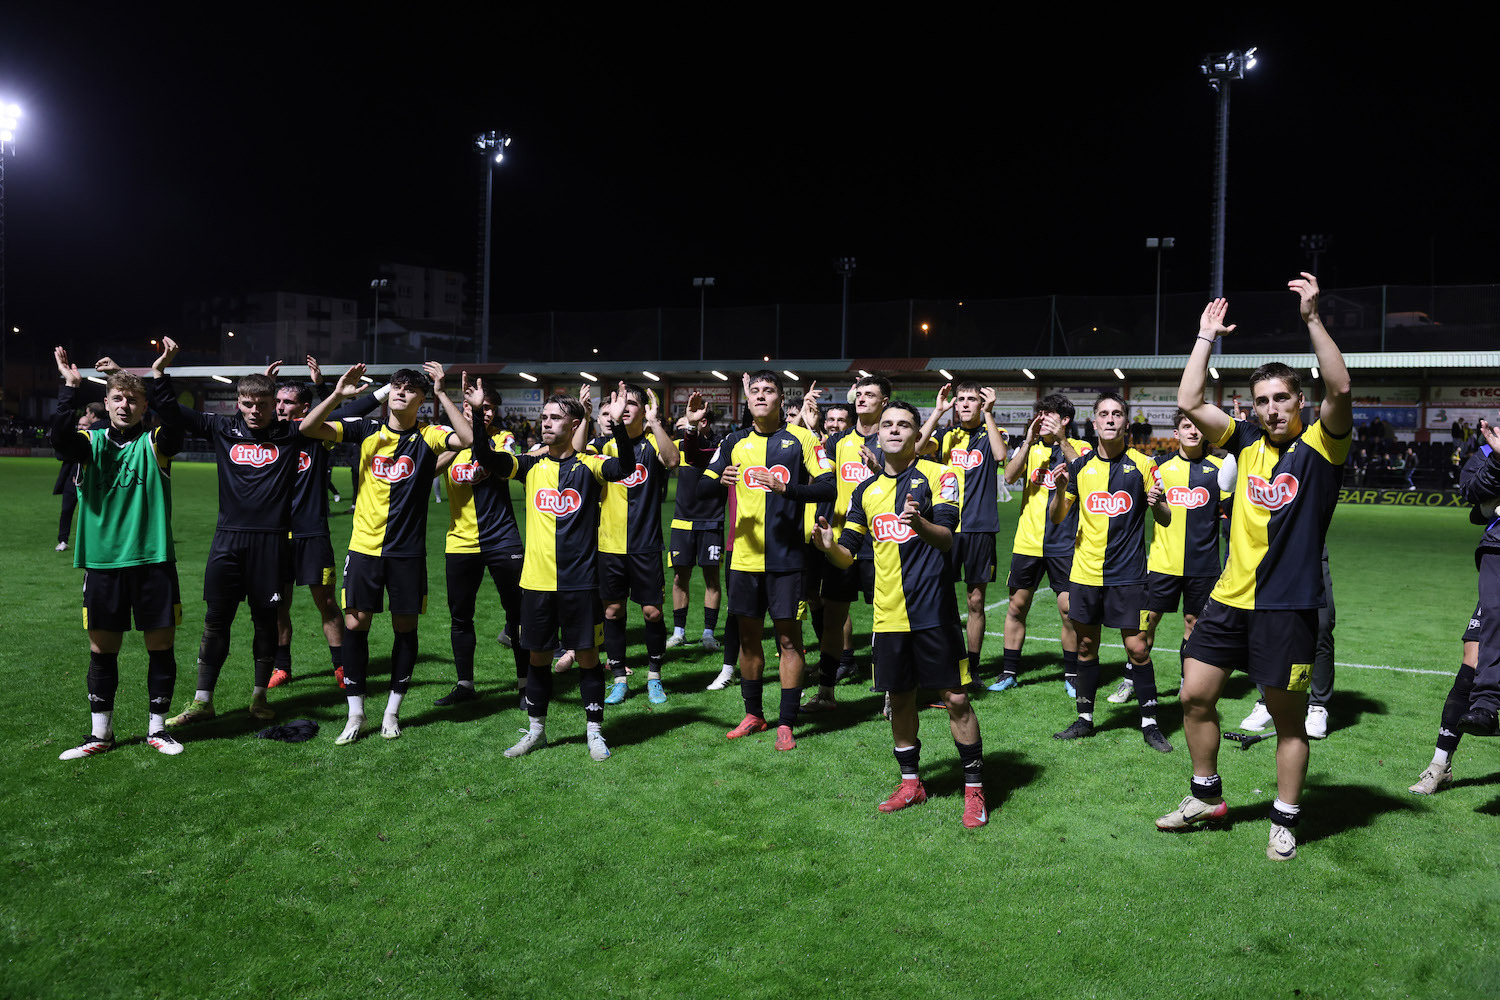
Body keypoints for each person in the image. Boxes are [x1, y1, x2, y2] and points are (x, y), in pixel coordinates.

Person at [1156, 274, 1352, 862]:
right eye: (1262, 400)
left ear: (1299, 402)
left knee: (1288, 722)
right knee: (1194, 695)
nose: (1272, 410)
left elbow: (1340, 386)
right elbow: (1189, 401)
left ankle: (1284, 819)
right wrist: (1203, 338)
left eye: (1282, 399)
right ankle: (1205, 796)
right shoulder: (1242, 442)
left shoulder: (1322, 445)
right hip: (1229, 598)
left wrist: (1313, 319)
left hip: (1287, 606)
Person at [812, 399, 987, 827]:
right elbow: (848, 556)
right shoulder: (864, 491)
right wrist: (828, 546)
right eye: (887, 424)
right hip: (888, 615)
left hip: (933, 612)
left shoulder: (938, 475)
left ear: (915, 434)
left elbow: (946, 539)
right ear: (877, 434)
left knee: (956, 698)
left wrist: (918, 524)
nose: (893, 430)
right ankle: (912, 783)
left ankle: (975, 791)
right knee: (901, 697)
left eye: (903, 425)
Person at [297, 362, 473, 745]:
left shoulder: (429, 436)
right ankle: (356, 712)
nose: (401, 392)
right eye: (397, 386)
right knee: (356, 625)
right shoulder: (367, 429)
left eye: (411, 389)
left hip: (407, 554)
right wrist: (339, 396)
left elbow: (467, 438)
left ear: (421, 400)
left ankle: (392, 711)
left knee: (404, 628)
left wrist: (444, 392)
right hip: (364, 548)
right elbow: (308, 428)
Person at [464, 382, 634, 760]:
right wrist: (478, 416)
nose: (545, 423)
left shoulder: (590, 465)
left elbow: (626, 467)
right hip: (537, 583)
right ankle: (537, 731)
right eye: (543, 417)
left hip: (581, 583)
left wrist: (619, 424)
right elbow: (486, 459)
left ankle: (594, 733)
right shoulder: (530, 464)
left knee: (588, 657)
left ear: (575, 424)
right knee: (537, 657)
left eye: (555, 418)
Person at [146, 354, 312, 727]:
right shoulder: (222, 427)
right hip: (227, 543)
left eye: (263, 405)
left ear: (275, 406)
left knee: (265, 622)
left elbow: (341, 417)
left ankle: (258, 698)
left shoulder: (290, 434)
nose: (255, 411)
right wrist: (159, 374)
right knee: (215, 620)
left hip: (270, 544)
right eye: (248, 404)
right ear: (238, 402)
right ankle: (203, 701)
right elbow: (171, 410)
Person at [52, 342, 186, 759]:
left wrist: (158, 377)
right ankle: (100, 735)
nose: (125, 404)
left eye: (133, 399)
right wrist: (68, 389)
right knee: (101, 650)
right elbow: (60, 440)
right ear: (105, 404)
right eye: (117, 398)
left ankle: (158, 729)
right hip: (103, 563)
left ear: (144, 406)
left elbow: (178, 425)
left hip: (153, 562)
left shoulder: (156, 444)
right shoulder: (87, 443)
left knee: (160, 647)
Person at [700, 370, 835, 749]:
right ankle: (754, 714)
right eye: (755, 391)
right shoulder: (733, 441)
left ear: (780, 398)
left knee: (789, 640)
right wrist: (719, 479)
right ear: (749, 399)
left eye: (769, 391)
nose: (761, 396)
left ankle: (786, 722)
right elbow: (702, 488)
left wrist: (787, 489)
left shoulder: (802, 438)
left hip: (788, 558)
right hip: (743, 558)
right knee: (747, 640)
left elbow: (829, 485)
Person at [1047, 392, 1173, 752]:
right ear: (1094, 423)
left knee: (1138, 649)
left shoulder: (1145, 465)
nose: (1111, 419)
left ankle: (1150, 723)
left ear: (1126, 423)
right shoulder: (1080, 467)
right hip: (1085, 574)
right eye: (1104, 414)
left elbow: (1164, 518)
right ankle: (1085, 719)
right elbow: (1058, 517)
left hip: (1128, 575)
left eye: (1117, 414)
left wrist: (1159, 504)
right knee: (1086, 646)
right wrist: (1058, 491)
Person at [1110, 409, 1229, 705]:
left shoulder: (1220, 468)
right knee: (1146, 623)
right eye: (1186, 426)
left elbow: (1231, 517)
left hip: (1203, 565)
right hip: (1162, 563)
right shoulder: (1158, 466)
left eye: (1198, 426)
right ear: (1176, 434)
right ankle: (1130, 680)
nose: (1193, 431)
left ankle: (1186, 684)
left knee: (1193, 623)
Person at [266, 358, 367, 691]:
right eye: (277, 402)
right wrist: (266, 389)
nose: (280, 408)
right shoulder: (265, 434)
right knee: (278, 603)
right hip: (274, 535)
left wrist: (327, 389)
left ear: (304, 407)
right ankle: (282, 667)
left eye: (287, 402)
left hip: (312, 533)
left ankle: (340, 665)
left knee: (325, 602)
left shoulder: (317, 435)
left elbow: (336, 415)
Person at [432, 383, 528, 709]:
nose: (483, 412)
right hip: (460, 541)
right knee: (460, 617)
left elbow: (504, 466)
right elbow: (425, 471)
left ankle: (526, 684)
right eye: (477, 406)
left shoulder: (503, 439)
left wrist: (474, 425)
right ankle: (464, 684)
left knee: (517, 615)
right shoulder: (451, 440)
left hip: (503, 539)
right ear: (465, 405)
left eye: (488, 408)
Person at [991, 394, 1089, 692]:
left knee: (1069, 610)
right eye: (1040, 414)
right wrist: (1029, 442)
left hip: (1066, 543)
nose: (1042, 419)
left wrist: (1061, 441)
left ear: (1065, 420)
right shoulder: (1031, 448)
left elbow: (1086, 473)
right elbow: (1009, 476)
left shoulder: (1081, 448)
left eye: (1049, 415)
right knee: (1017, 607)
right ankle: (1008, 673)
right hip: (1028, 542)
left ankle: (1071, 676)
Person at [802, 375, 887, 711]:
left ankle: (890, 692)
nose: (862, 398)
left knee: (886, 617)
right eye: (860, 394)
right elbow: (817, 477)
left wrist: (880, 470)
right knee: (834, 614)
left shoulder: (892, 439)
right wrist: (810, 431)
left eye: (870, 394)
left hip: (880, 541)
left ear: (884, 401)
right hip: (843, 540)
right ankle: (826, 692)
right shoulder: (837, 442)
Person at [591, 383, 679, 705]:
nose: (625, 407)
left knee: (653, 613)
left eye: (632, 403)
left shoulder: (653, 443)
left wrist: (656, 422)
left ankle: (654, 677)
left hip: (645, 544)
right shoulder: (602, 445)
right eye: (620, 403)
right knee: (612, 612)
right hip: (609, 545)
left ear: (644, 410)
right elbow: (573, 452)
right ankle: (618, 679)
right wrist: (590, 415)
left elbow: (672, 462)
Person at [915, 381, 1008, 685]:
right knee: (940, 596)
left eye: (972, 400)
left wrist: (990, 414)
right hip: (946, 526)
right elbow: (915, 448)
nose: (966, 404)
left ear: (982, 404)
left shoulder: (991, 431)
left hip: (981, 528)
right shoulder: (945, 436)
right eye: (961, 400)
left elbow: (998, 456)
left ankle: (974, 667)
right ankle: (945, 661)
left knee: (975, 601)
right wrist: (937, 411)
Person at [667, 391, 726, 655]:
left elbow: (695, 452)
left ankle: (708, 634)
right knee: (681, 576)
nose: (682, 432)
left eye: (686, 426)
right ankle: (678, 632)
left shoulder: (720, 447)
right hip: (682, 522)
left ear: (703, 421)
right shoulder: (679, 446)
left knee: (712, 577)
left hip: (712, 521)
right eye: (682, 426)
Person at [1455, 418, 1500, 738]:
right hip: (1497, 548)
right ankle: (1485, 704)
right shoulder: (1485, 451)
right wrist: (1498, 458)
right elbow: (1471, 491)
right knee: (1493, 621)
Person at [53, 403, 104, 552]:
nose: (81, 427)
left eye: (84, 424)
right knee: (66, 510)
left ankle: (94, 541)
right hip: (71, 483)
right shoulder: (75, 442)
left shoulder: (92, 441)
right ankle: (63, 540)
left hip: (89, 483)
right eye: (79, 424)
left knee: (92, 512)